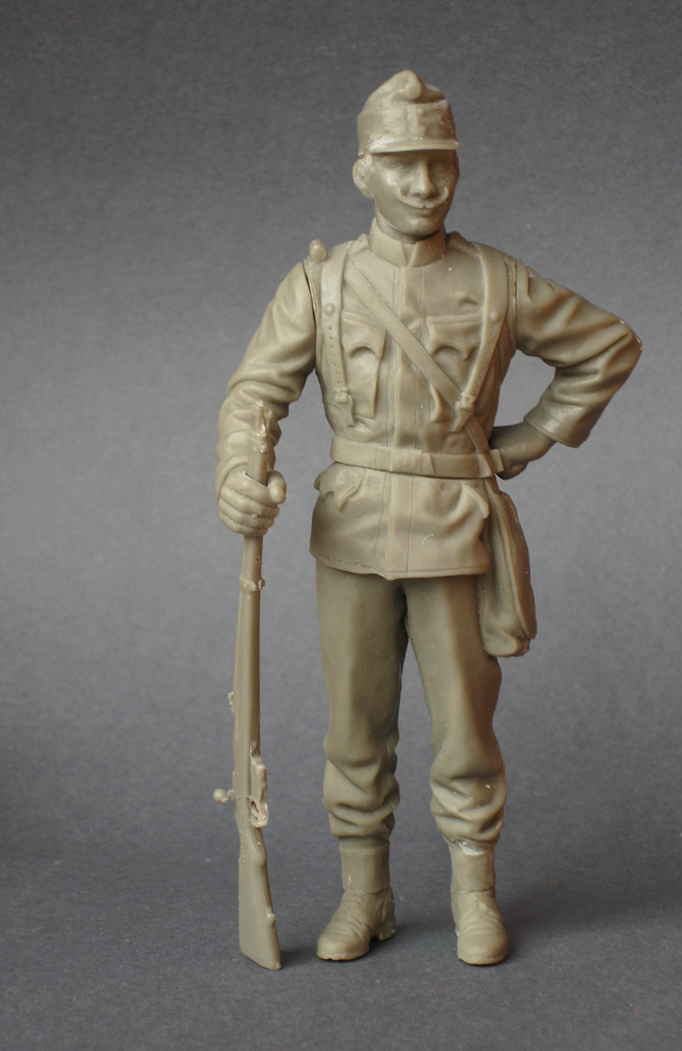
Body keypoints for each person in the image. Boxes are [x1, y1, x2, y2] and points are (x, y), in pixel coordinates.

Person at [216, 70, 641, 965]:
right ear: (363, 172)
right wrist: (239, 474)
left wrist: (529, 439)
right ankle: (363, 894)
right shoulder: (322, 284)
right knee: (354, 730)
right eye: (402, 164)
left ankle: (473, 892)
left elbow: (606, 346)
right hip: (355, 533)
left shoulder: (496, 281)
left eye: (439, 162)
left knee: (465, 731)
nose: (423, 183)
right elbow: (256, 392)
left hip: (457, 531)